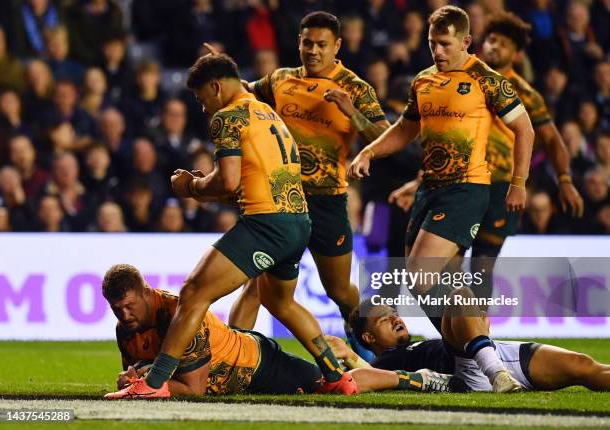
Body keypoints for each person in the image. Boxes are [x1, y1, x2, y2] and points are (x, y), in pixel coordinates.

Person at [104, 53, 356, 399]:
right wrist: (203, 189)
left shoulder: (227, 118)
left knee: (193, 292)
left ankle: (153, 383)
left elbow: (226, 181)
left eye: (201, 98)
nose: (204, 108)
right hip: (299, 221)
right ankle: (337, 376)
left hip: (266, 224)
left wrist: (190, 188)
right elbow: (244, 184)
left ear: (216, 87)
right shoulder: (268, 113)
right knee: (279, 301)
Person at [348, 6, 534, 391]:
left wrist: (518, 182)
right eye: (432, 43)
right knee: (442, 284)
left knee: (418, 276)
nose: (437, 50)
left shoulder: (487, 79)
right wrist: (369, 152)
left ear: (466, 41)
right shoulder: (423, 81)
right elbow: (405, 129)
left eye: (445, 43)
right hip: (428, 192)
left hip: (466, 190)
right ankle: (473, 359)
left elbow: (524, 128)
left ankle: (486, 361)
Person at [225, 12, 390, 359]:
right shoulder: (281, 80)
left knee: (340, 290)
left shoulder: (355, 88)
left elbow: (387, 137)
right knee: (258, 282)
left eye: (321, 45)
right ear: (299, 42)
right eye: (307, 43)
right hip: (282, 199)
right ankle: (230, 354)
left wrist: (352, 113)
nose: (313, 50)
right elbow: (243, 93)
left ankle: (374, 354)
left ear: (337, 46)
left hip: (327, 201)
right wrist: (221, 73)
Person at [388, 12, 584, 304]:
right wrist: (417, 183)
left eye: (503, 44)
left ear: (516, 54)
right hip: (458, 184)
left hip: (500, 188)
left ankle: (479, 334)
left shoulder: (524, 94)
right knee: (447, 270)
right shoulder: (456, 81)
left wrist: (564, 180)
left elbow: (551, 139)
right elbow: (444, 143)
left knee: (483, 265)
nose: (494, 47)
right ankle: (460, 338)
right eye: (491, 40)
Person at [102, 264, 455, 397]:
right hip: (231, 354)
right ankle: (262, 276)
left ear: (147, 293)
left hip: (260, 365)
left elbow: (191, 389)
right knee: (233, 335)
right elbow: (145, 372)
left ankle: (419, 379)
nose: (125, 314)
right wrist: (133, 377)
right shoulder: (125, 328)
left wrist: (143, 386)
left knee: (335, 386)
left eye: (130, 305)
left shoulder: (182, 316)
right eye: (117, 309)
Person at [329, 297, 610, 392]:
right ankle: (496, 373)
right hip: (468, 370)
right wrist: (350, 356)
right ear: (368, 338)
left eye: (394, 312)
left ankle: (495, 367)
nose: (394, 318)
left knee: (582, 366)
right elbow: (363, 378)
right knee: (460, 296)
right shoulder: (386, 361)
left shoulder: (415, 346)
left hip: (493, 351)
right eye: (383, 319)